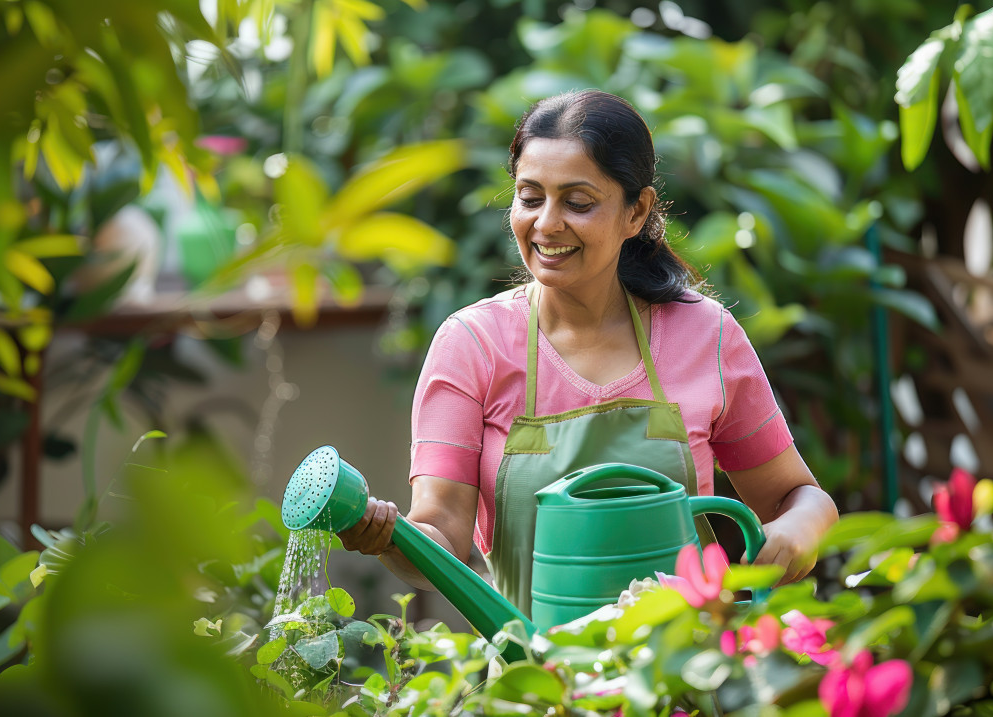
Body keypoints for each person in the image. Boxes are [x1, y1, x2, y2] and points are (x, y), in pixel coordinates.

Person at [338, 90, 838, 617]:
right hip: (536, 684)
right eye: (530, 198)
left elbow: (802, 497)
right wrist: (392, 536)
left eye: (577, 203)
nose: (547, 224)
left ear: (636, 211)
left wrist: (796, 531)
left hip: (681, 678)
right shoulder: (473, 346)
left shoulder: (705, 336)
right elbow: (441, 532)